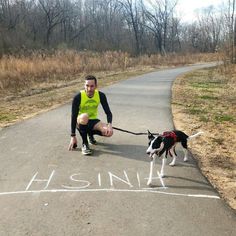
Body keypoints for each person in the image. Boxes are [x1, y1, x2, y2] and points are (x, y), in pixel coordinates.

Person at [68, 75, 113, 155]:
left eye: (92, 86)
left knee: (109, 132)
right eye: (87, 86)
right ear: (84, 85)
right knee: (85, 116)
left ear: (96, 86)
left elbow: (108, 113)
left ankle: (90, 135)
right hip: (80, 121)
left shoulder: (101, 95)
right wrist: (73, 136)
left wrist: (109, 125)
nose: (89, 88)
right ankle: (85, 144)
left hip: (93, 121)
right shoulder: (78, 97)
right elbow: (73, 116)